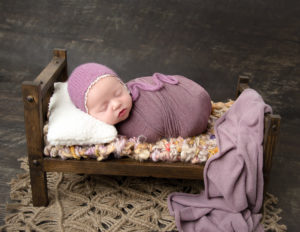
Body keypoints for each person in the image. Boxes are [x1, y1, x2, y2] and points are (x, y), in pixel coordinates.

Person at [67, 63, 212, 142]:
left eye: (118, 93)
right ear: (89, 115)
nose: (116, 104)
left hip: (194, 100)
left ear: (123, 85)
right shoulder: (107, 133)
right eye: (104, 107)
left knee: (192, 100)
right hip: (196, 112)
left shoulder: (138, 90)